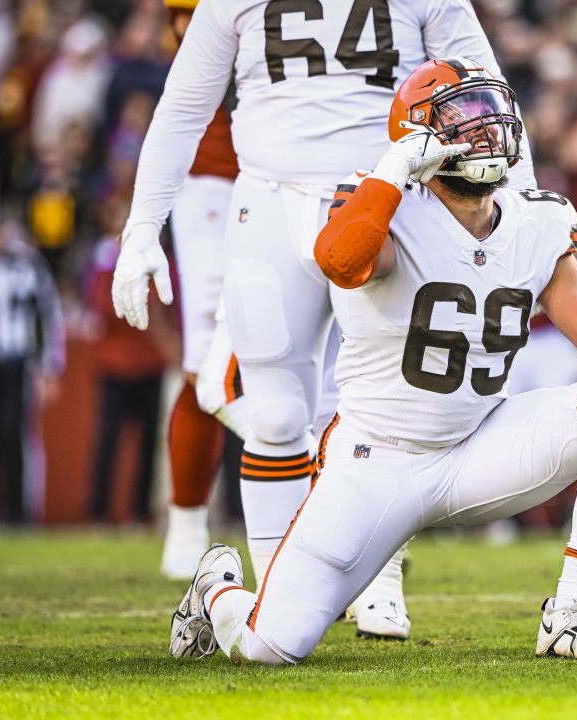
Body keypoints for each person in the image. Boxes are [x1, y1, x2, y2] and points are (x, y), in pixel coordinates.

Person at [168, 60, 577, 665]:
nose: (488, 130)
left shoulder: (537, 221)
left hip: (479, 446)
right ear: (420, 136)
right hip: (377, 461)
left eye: (492, 113)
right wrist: (392, 171)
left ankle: (571, 614)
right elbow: (342, 262)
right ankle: (217, 588)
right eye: (465, 119)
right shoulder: (386, 208)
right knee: (271, 647)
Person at [111, 0, 536, 639]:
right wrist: (141, 227)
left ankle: (380, 580)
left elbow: (486, 91)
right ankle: (279, 599)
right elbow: (184, 107)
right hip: (269, 203)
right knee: (279, 412)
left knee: (379, 408)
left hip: (392, 203)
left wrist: (521, 209)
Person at [154, 0, 243, 582]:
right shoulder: (199, 22)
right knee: (205, 360)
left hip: (300, 173)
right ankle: (187, 522)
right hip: (212, 178)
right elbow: (191, 27)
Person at [0, 201, 65, 524]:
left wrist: (51, 363)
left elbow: (49, 315)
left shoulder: (26, 267)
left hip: (13, 363)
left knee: (13, 438)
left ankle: (19, 515)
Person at [86, 198, 178, 524]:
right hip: (115, 363)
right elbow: (103, 309)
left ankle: (139, 513)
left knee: (149, 445)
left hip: (150, 364)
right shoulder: (103, 260)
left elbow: (168, 305)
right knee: (107, 441)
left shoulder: (157, 259)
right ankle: (98, 511)